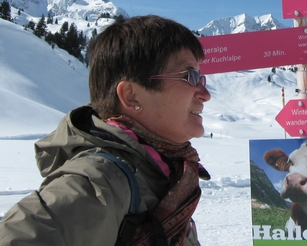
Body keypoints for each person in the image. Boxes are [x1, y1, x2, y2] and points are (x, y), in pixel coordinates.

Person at [0, 15, 211, 245]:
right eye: (190, 77)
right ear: (131, 96)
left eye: (201, 78)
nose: (205, 94)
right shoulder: (99, 180)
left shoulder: (166, 173)